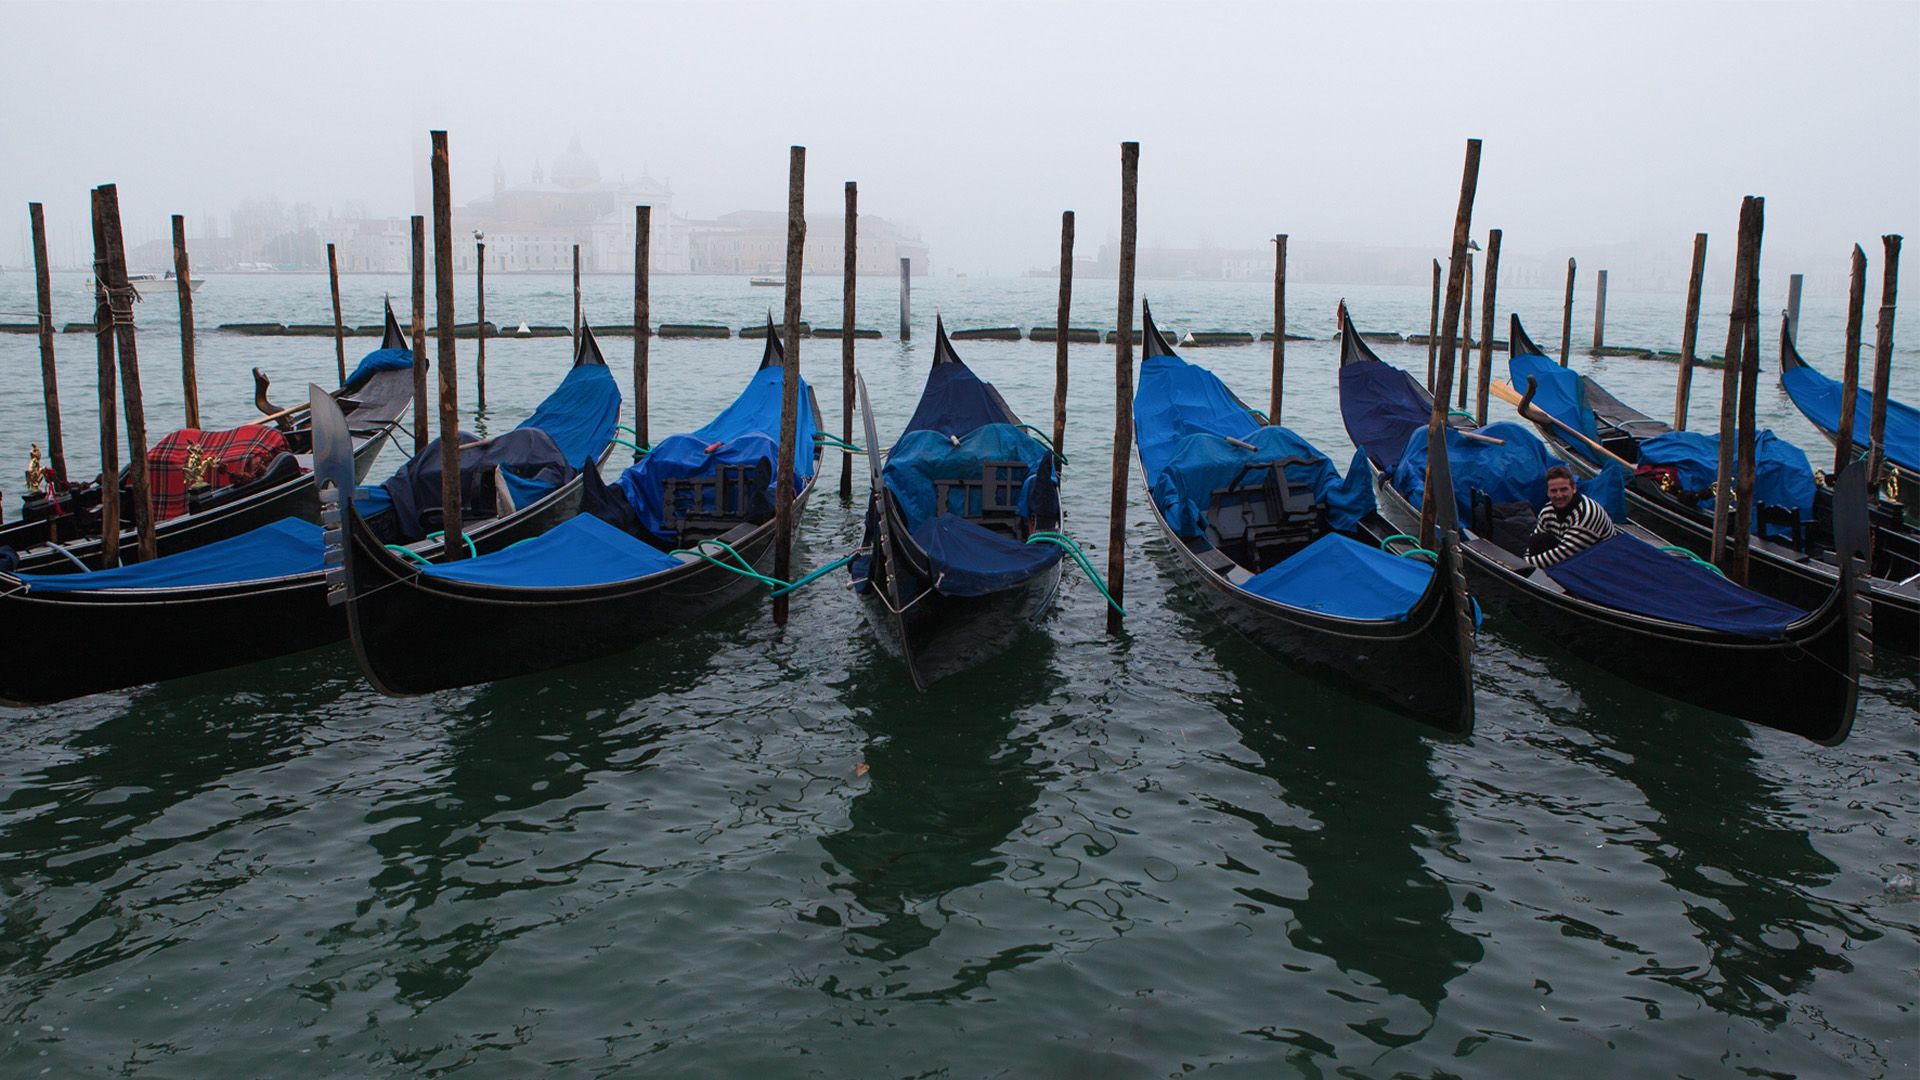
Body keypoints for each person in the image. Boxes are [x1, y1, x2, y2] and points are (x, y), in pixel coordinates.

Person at [1522, 465, 1615, 567]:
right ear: (1548, 492)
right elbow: (1533, 540)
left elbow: (1563, 555)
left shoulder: (1586, 515)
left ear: (1574, 488)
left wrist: (1524, 565)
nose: (1559, 495)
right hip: (1568, 549)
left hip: (1600, 562)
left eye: (1564, 490)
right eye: (1554, 491)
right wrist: (1526, 559)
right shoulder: (1548, 510)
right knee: (1537, 540)